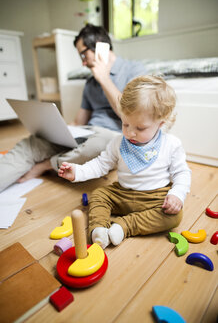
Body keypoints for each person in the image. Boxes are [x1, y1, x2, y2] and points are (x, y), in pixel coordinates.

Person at [0, 24, 146, 192]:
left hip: (111, 137)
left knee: (100, 144)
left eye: (84, 54)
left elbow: (133, 116)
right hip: (88, 133)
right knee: (32, 143)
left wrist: (104, 79)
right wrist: (56, 132)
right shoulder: (90, 83)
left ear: (100, 46)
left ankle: (47, 165)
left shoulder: (134, 70)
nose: (83, 63)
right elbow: (79, 122)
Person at [58, 75, 192, 249]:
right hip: (122, 193)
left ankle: (124, 226)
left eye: (140, 128)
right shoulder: (117, 142)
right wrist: (78, 172)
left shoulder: (171, 144)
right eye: (125, 124)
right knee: (98, 194)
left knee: (175, 216)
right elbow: (101, 164)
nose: (130, 133)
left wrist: (177, 195)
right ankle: (98, 228)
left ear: (160, 123)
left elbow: (182, 173)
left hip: (155, 197)